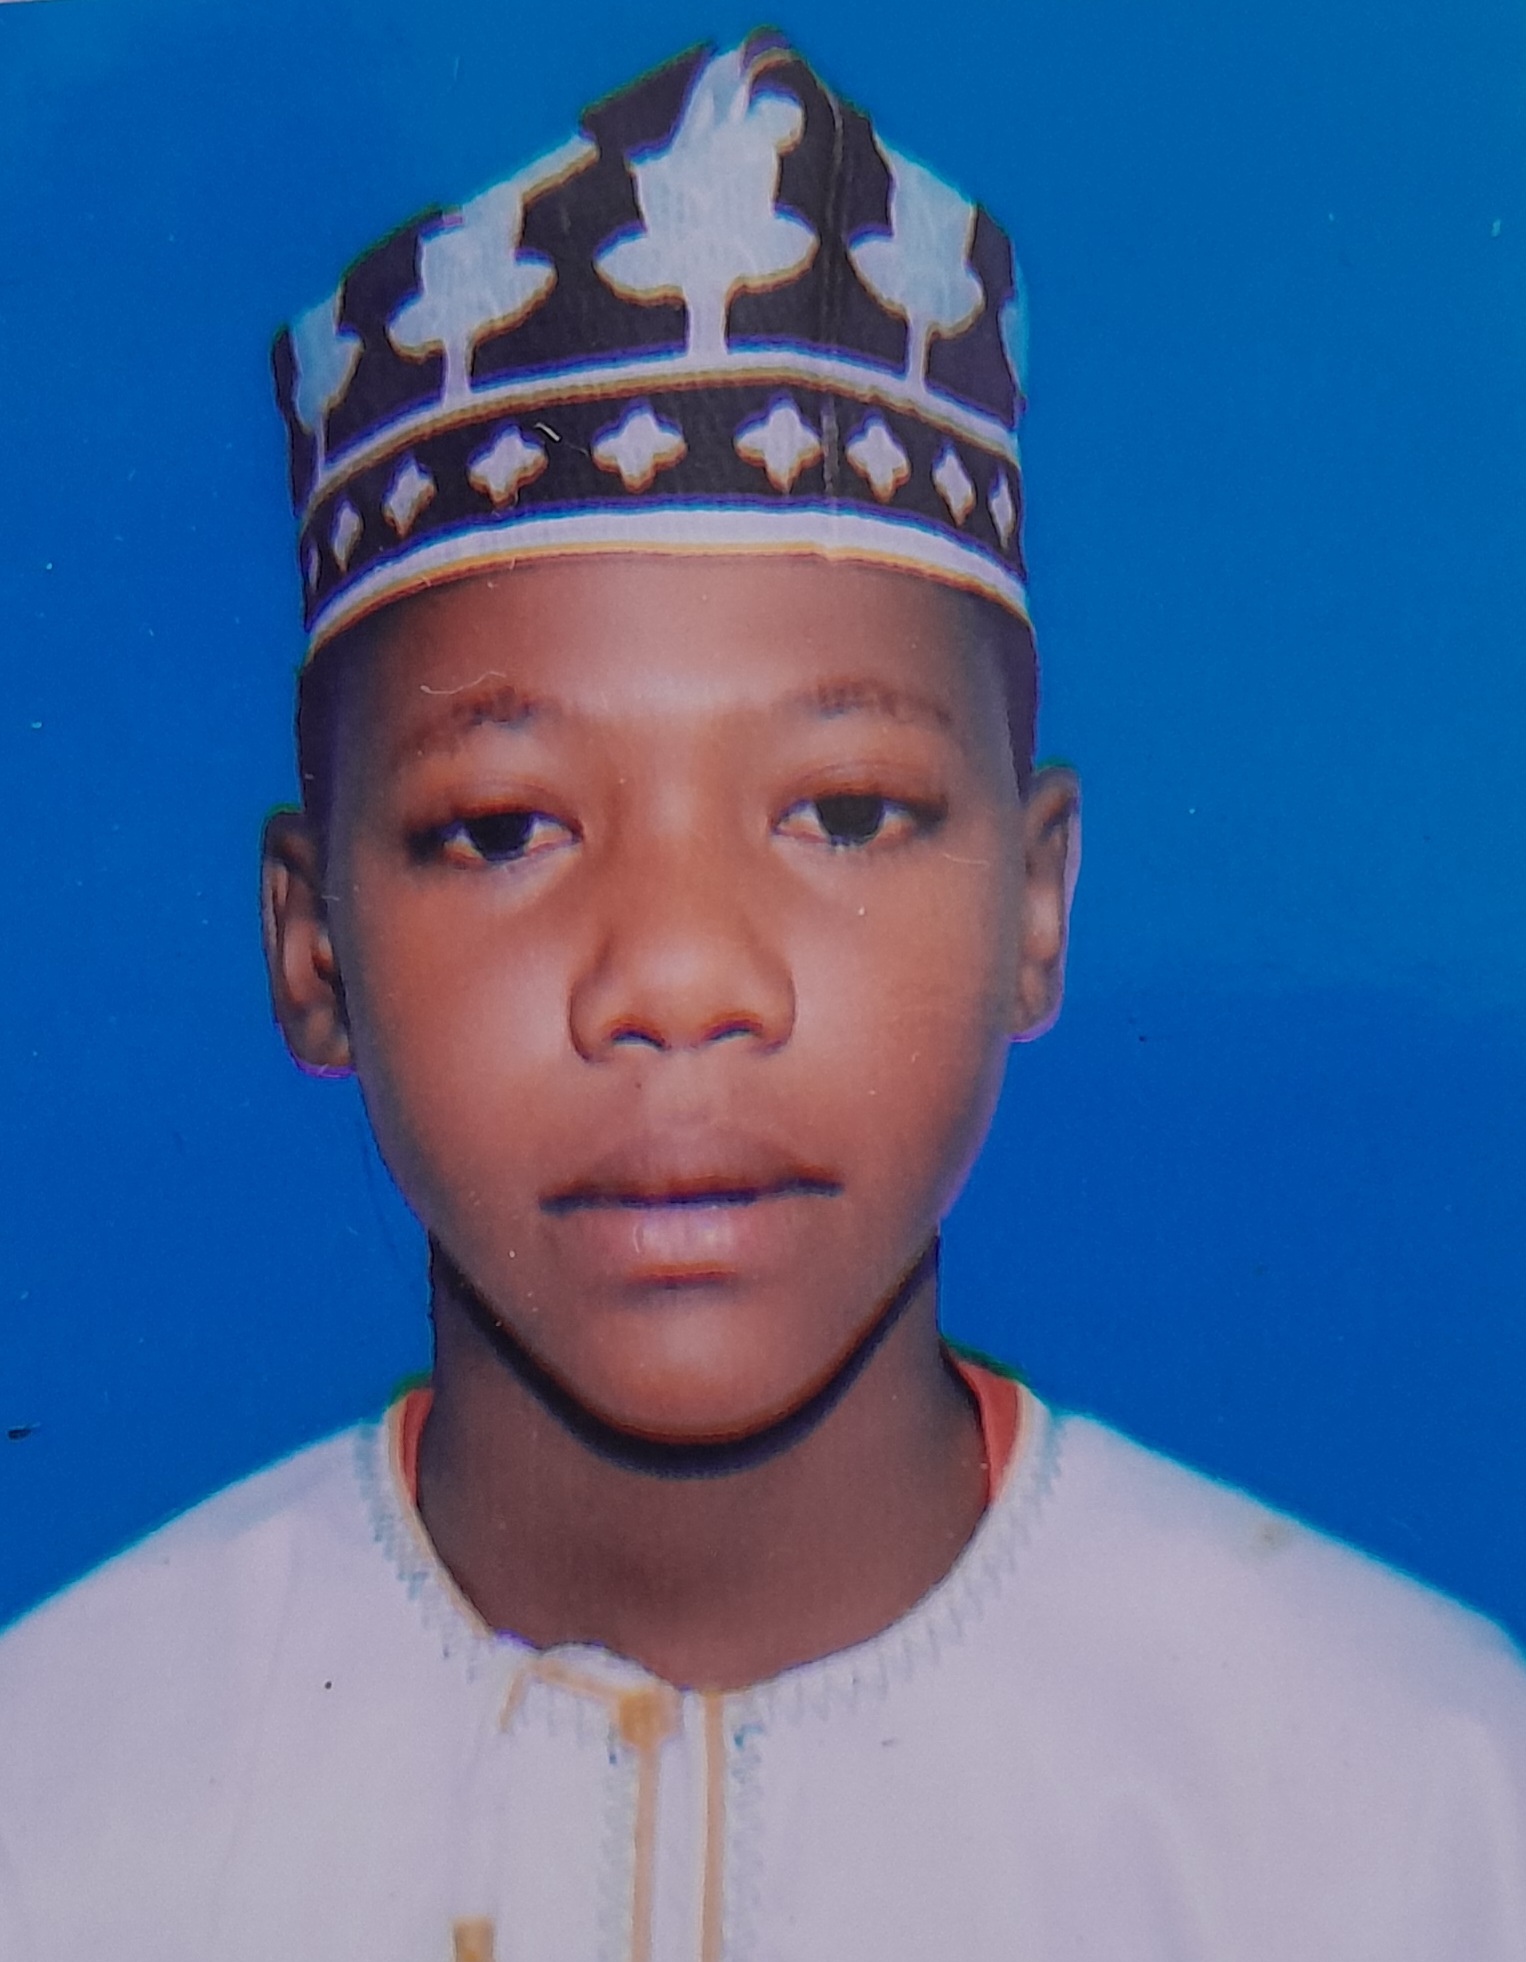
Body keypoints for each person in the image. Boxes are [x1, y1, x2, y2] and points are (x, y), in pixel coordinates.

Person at [1, 31, 1522, 1960]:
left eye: (846, 811)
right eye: (502, 828)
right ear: (312, 951)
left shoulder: (1420, 1819)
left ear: (1035, 903)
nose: (679, 977)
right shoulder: (62, 1809)